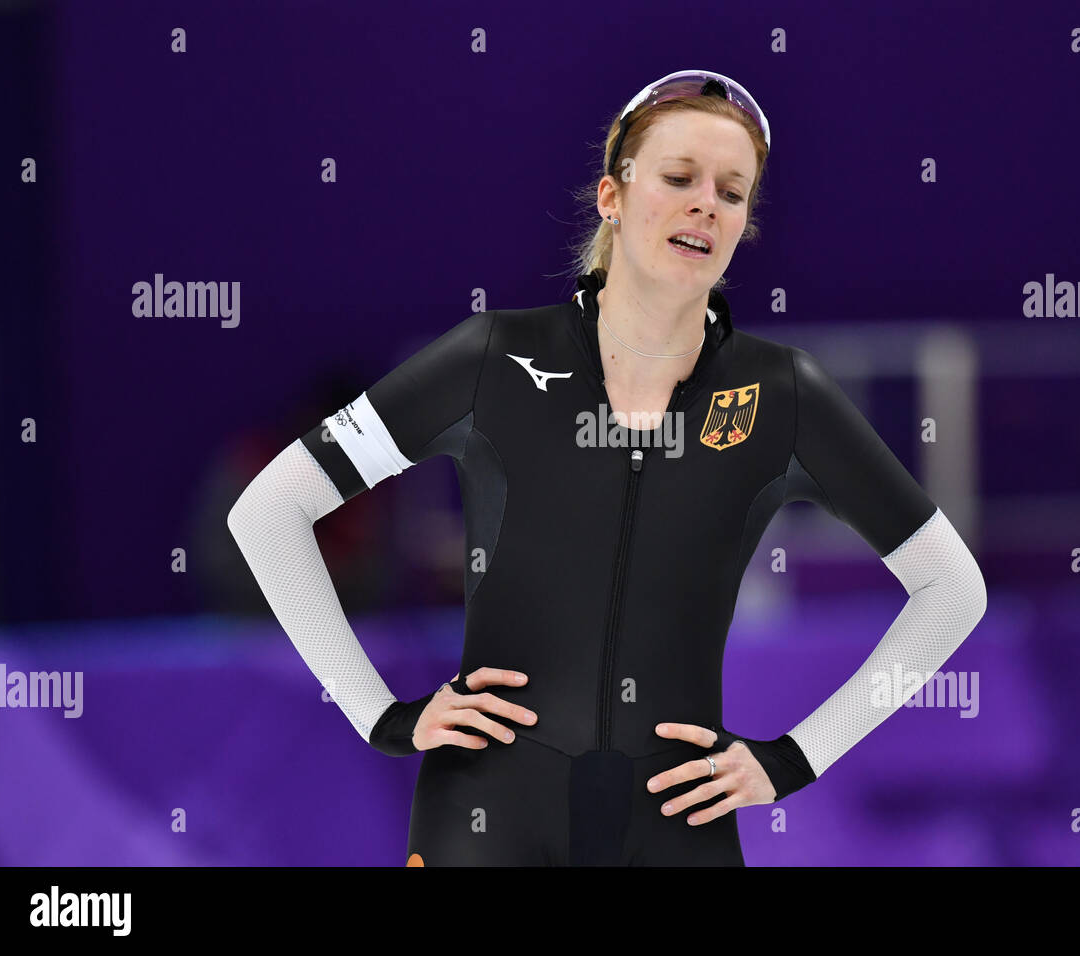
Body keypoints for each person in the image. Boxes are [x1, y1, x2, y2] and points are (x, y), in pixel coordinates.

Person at [227, 69, 987, 866]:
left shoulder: (784, 395)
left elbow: (952, 589)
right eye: (679, 178)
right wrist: (380, 716)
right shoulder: (493, 358)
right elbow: (269, 511)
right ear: (612, 196)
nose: (706, 204)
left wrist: (797, 758)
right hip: (486, 817)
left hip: (676, 826)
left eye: (733, 192)